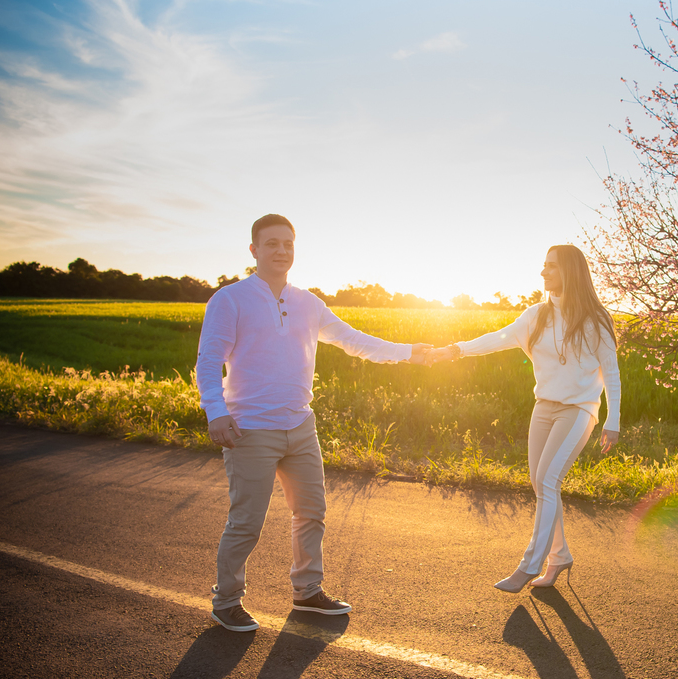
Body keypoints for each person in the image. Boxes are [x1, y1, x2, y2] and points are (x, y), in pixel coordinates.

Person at [197, 213, 429, 632]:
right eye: (272, 243)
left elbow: (354, 341)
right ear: (254, 250)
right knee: (246, 521)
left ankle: (307, 591)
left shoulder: (308, 303)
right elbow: (209, 360)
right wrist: (216, 411)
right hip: (250, 427)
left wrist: (410, 353)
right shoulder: (230, 299)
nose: (281, 250)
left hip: (301, 426)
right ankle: (226, 599)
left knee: (311, 512)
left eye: (288, 243)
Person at [427, 244, 621, 592]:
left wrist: (613, 420)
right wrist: (456, 350)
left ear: (570, 271)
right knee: (540, 482)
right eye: (543, 265)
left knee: (547, 480)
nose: (543, 272)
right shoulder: (537, 315)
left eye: (551, 266)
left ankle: (529, 565)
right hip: (543, 407)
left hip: (578, 410)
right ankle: (560, 556)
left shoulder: (596, 319)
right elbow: (498, 338)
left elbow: (612, 373)